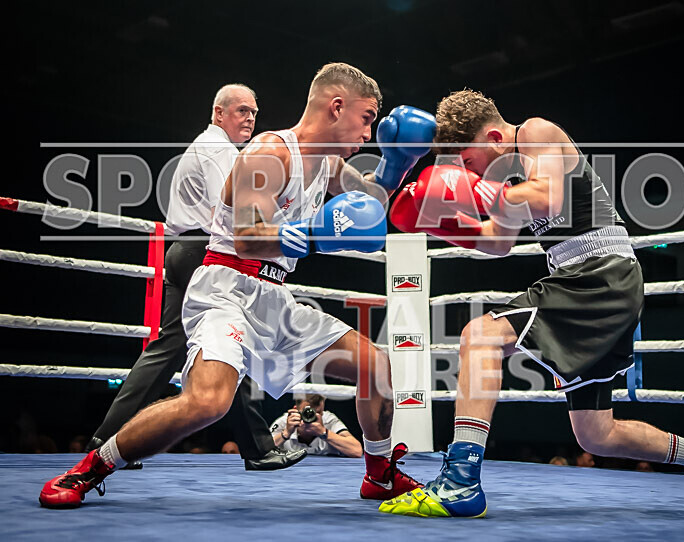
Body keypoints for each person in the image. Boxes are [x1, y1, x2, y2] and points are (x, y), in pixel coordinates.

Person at [39, 62, 436, 509]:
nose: (368, 134)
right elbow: (247, 237)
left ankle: (379, 475)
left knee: (377, 368)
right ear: (336, 106)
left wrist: (399, 161)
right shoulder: (271, 152)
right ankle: (91, 467)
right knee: (208, 402)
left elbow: (369, 204)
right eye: (366, 119)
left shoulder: (326, 161)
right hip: (225, 289)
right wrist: (315, 233)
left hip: (274, 296)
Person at [382, 89, 684, 518]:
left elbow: (548, 199)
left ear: (493, 139)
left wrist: (470, 189)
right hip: (584, 278)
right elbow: (498, 243)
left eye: (468, 161)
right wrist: (441, 223)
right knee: (597, 435)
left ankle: (461, 482)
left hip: (600, 273)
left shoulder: (537, 133)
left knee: (479, 335)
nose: (467, 171)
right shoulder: (506, 180)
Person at [85, 84, 305, 472]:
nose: (250, 118)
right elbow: (234, 208)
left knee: (189, 348)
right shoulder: (219, 150)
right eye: (241, 111)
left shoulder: (212, 146)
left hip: (190, 251)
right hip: (205, 253)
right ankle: (256, 448)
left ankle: (109, 438)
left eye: (254, 112)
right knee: (223, 346)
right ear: (218, 113)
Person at [271, 394, 362, 458]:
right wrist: (285, 433)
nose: (312, 417)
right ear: (296, 409)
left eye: (318, 413)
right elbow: (261, 451)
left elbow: (356, 450)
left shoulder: (328, 420)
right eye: (306, 413)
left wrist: (324, 433)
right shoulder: (285, 422)